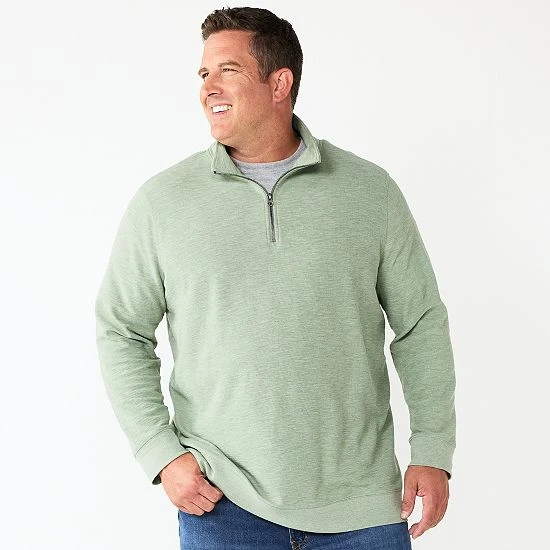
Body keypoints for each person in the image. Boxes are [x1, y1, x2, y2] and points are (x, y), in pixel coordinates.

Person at [94, 6, 456, 549]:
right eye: (203, 73)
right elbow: (121, 329)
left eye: (228, 70)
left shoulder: (369, 191)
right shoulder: (163, 202)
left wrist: (432, 450)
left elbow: (420, 323)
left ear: (279, 83)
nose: (208, 87)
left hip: (361, 507)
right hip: (223, 505)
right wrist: (160, 453)